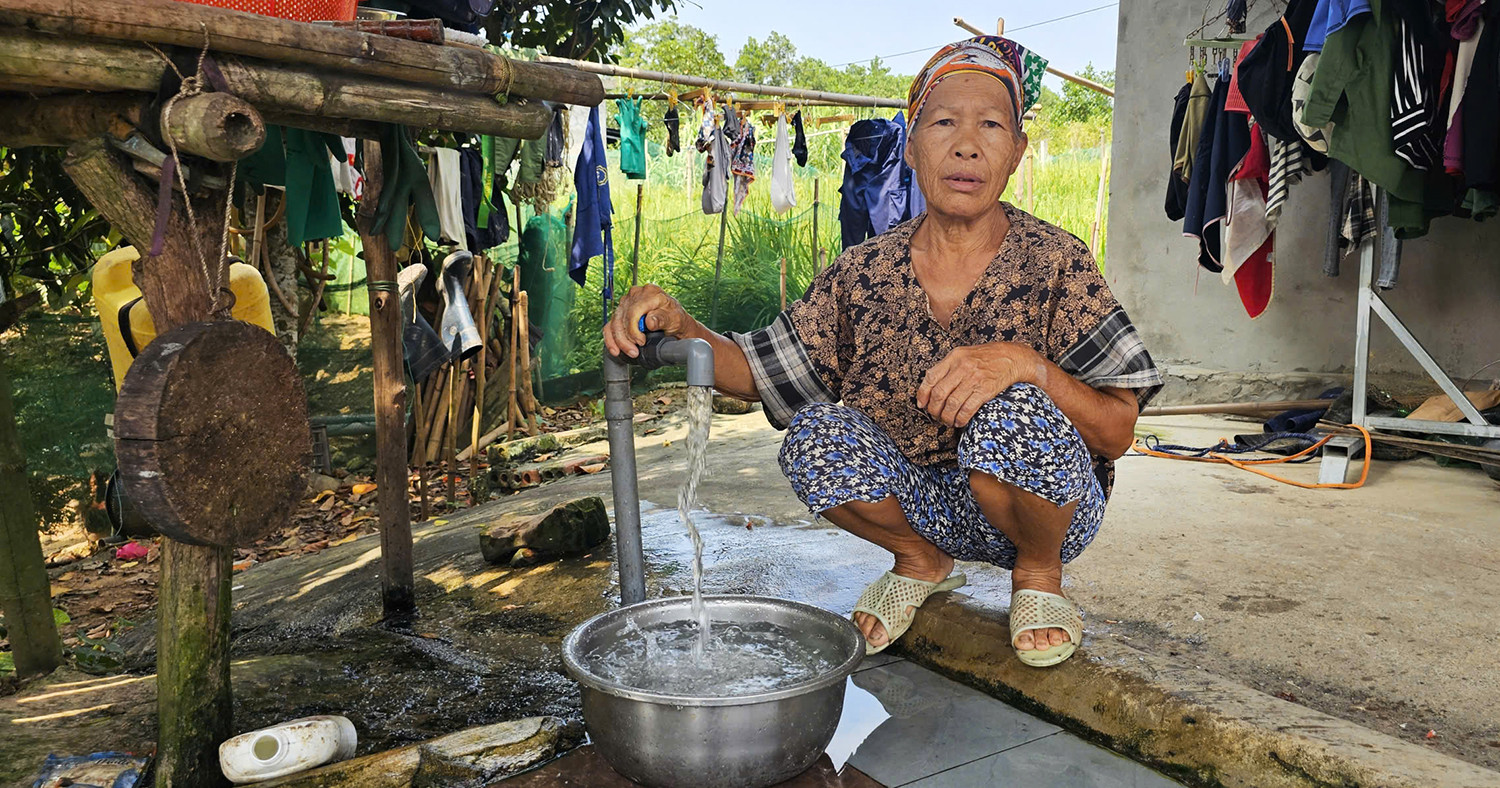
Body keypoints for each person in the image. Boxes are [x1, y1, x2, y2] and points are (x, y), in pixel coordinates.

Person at [602, 36, 1162, 667]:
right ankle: (920, 561)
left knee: (1017, 409)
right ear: (911, 144)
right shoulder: (865, 272)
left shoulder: (1056, 262)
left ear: (1016, 152)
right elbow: (758, 372)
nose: (967, 145)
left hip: (1047, 511)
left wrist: (1026, 366)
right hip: (920, 506)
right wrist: (684, 325)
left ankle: (1038, 575)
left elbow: (1117, 430)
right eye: (944, 123)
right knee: (814, 436)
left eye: (991, 126)